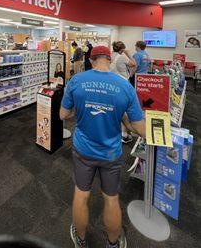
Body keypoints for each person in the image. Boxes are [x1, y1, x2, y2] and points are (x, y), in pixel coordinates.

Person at [60, 46, 145, 248]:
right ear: (109, 59)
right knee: (111, 198)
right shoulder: (125, 86)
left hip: (83, 150)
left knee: (81, 195)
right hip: (110, 153)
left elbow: (63, 115)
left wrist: (79, 110)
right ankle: (113, 243)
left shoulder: (76, 81)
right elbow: (141, 129)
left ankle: (80, 240)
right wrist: (122, 117)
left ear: (91, 60)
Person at [110, 41, 137, 144]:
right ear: (121, 49)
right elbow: (134, 64)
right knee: (124, 109)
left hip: (112, 84)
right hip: (122, 85)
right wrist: (128, 54)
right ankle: (124, 134)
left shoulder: (111, 56)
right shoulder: (122, 57)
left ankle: (115, 131)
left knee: (114, 107)